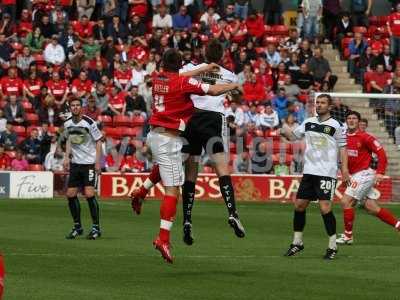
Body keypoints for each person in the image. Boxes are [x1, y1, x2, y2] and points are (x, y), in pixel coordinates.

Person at [131, 48, 241, 263]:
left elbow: (181, 75)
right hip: (168, 138)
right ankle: (162, 238)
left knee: (169, 164)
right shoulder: (182, 83)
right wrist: (233, 85)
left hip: (157, 135)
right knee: (173, 191)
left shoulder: (158, 78)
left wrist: (206, 67)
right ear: (180, 64)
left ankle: (141, 192)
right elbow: (214, 90)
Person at [280, 94, 350, 260]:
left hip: (327, 172)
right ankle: (297, 243)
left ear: (330, 106)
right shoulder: (308, 122)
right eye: (317, 102)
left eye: (323, 103)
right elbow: (293, 137)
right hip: (309, 171)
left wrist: (345, 170)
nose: (319, 105)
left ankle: (332, 246)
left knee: (325, 208)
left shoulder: (337, 125)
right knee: (299, 206)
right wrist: (284, 129)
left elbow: (343, 148)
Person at [336, 111, 400, 245]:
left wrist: (380, 172)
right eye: (349, 118)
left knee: (345, 201)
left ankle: (348, 236)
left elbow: (381, 153)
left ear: (359, 122)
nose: (351, 120)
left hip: (364, 174)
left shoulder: (366, 137)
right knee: (371, 206)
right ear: (346, 121)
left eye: (354, 118)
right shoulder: (342, 138)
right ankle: (398, 225)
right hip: (353, 176)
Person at [62, 98, 103, 240]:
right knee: (70, 194)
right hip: (76, 163)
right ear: (70, 108)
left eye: (77, 105)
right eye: (72, 105)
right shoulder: (67, 123)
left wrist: (98, 162)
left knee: (89, 194)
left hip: (89, 163)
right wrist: (67, 157)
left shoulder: (89, 122)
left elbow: (98, 141)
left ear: (81, 107)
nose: (75, 108)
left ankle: (96, 228)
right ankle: (77, 226)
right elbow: (68, 139)